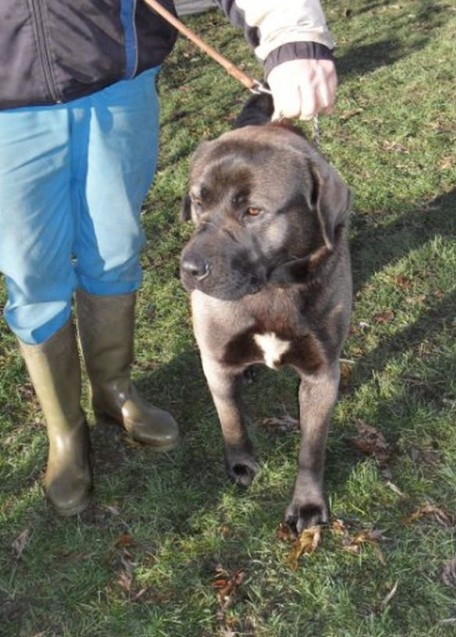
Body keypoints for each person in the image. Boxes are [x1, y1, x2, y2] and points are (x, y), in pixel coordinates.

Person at [0, 0, 337, 516]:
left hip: (115, 81)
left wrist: (292, 34)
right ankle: (65, 431)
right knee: (33, 274)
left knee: (113, 251)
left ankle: (114, 393)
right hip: (6, 106)